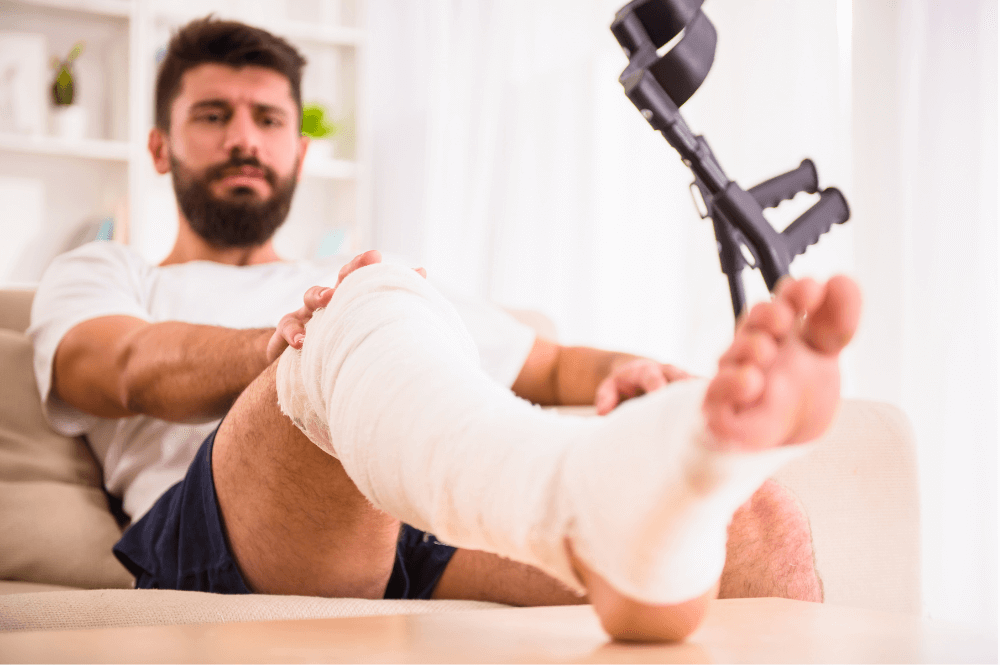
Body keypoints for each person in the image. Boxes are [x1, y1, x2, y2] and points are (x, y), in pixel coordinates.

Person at [28, 17, 858, 642]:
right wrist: (290, 346)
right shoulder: (111, 272)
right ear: (161, 146)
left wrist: (676, 390)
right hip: (229, 525)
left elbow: (560, 366)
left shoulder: (375, 296)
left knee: (758, 518)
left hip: (418, 517)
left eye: (269, 119)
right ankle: (571, 500)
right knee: (364, 305)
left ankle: (629, 529)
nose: (245, 136)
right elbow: (123, 365)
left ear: (300, 150)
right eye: (213, 115)